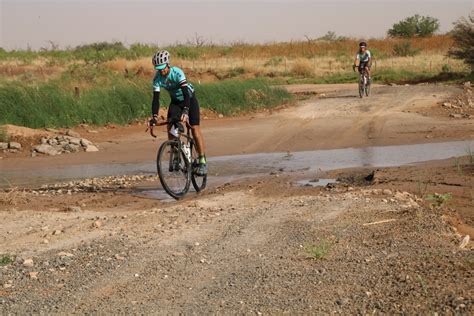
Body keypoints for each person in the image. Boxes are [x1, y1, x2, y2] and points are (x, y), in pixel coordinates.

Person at [148, 50, 207, 175]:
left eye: (163, 68)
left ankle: (202, 161)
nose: (161, 71)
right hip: (175, 102)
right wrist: (154, 117)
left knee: (195, 128)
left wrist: (186, 110)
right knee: (171, 127)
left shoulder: (177, 72)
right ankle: (176, 156)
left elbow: (186, 93)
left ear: (168, 64)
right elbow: (155, 99)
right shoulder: (157, 79)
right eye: (158, 69)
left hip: (189, 99)